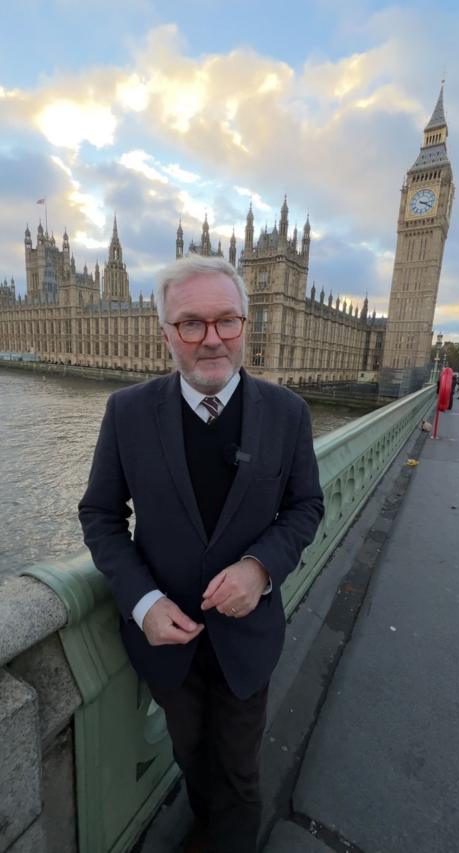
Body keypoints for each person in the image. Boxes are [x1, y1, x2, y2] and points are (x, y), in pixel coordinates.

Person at [78, 255, 324, 853]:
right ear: (165, 333)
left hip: (247, 639)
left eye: (226, 321)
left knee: (240, 772)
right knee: (191, 758)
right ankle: (205, 827)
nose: (211, 338)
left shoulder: (288, 413)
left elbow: (305, 508)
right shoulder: (129, 412)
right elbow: (100, 516)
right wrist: (142, 602)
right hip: (168, 641)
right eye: (191, 323)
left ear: (245, 325)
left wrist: (260, 567)